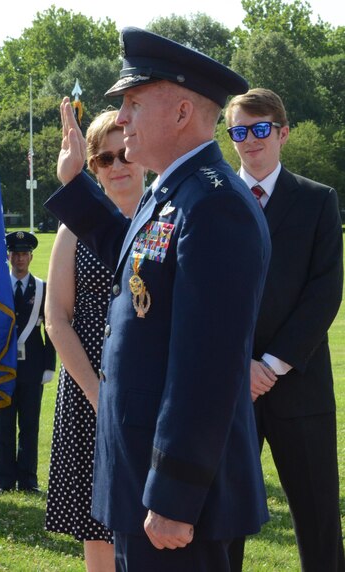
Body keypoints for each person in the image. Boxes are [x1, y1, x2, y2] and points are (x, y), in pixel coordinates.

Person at [46, 28, 271, 570]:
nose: (121, 118)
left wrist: (174, 493)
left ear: (181, 113)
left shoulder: (214, 206)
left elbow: (208, 368)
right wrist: (76, 184)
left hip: (174, 502)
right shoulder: (172, 193)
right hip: (139, 477)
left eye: (132, 102)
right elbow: (134, 261)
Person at [224, 88, 345, 572]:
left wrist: (270, 366)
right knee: (225, 521)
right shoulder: (212, 200)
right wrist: (241, 367)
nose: (249, 141)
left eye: (259, 129)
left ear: (283, 132)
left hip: (301, 388)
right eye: (238, 131)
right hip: (230, 391)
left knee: (318, 520)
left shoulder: (318, 201)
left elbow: (324, 293)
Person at [44, 108, 145, 571]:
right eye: (104, 158)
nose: (117, 164)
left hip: (150, 394)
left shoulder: (164, 221)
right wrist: (95, 391)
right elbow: (57, 320)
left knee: (157, 520)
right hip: (88, 395)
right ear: (91, 167)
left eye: (125, 152)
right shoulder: (72, 230)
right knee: (97, 524)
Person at [0, 231, 56, 496]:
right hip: (1, 368)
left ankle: (28, 480)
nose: (19, 258)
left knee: (30, 425)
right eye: (15, 253)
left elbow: (52, 329)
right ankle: (5, 481)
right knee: (3, 426)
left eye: (24, 253)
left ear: (31, 256)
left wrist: (48, 365)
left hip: (32, 367)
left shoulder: (43, 288)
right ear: (7, 256)